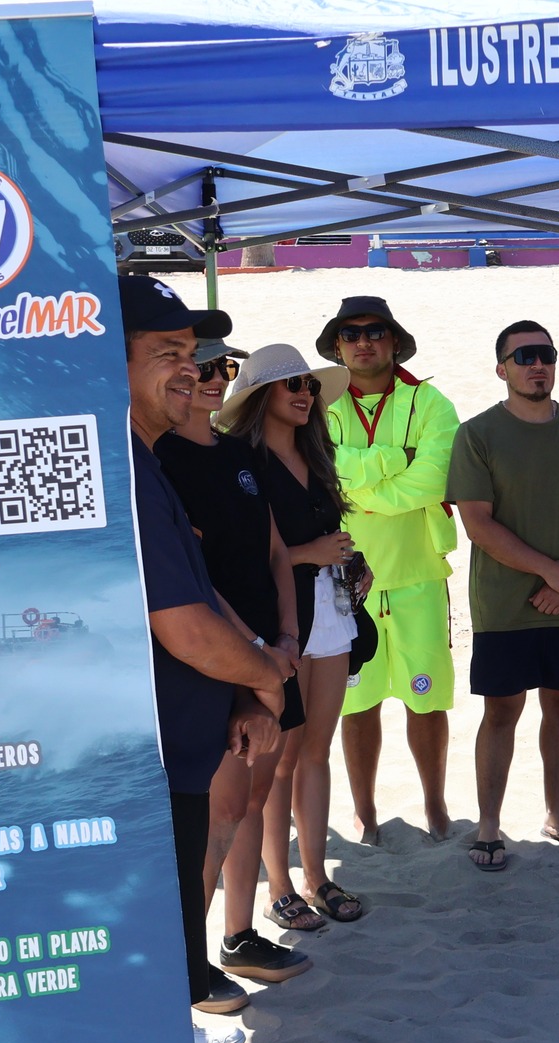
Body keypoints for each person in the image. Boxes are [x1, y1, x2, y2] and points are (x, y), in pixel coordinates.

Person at [121, 274, 308, 1043]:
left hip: (183, 749)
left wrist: (253, 673)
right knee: (148, 965)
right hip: (145, 760)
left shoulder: (148, 459)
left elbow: (208, 595)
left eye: (192, 356)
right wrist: (267, 676)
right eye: (165, 354)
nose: (188, 371)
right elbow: (183, 621)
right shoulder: (121, 460)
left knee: (164, 958)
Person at [154, 339, 325, 972]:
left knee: (252, 798)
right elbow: (191, 579)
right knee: (219, 810)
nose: (210, 379)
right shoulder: (162, 459)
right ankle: (186, 969)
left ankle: (237, 935)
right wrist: (254, 650)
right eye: (198, 368)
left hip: (269, 655)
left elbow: (276, 551)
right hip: (220, 660)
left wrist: (284, 636)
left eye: (222, 368)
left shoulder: (239, 454)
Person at [451, 321, 559, 871]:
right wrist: (550, 571)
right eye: (523, 355)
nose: (536, 363)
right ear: (502, 368)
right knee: (501, 711)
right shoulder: (477, 434)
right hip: (504, 603)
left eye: (545, 353)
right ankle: (489, 826)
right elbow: (477, 523)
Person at [219, 343, 372, 928]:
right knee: (276, 759)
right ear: (262, 396)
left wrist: (349, 563)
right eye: (293, 386)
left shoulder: (318, 453)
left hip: (329, 612)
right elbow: (246, 557)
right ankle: (277, 883)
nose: (305, 394)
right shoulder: (240, 462)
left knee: (315, 751)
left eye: (309, 385)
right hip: (278, 621)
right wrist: (311, 553)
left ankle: (317, 876)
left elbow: (324, 533)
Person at [320, 296, 460, 843]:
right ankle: (365, 810)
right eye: (350, 334)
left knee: (426, 700)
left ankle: (435, 804)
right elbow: (323, 473)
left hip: (418, 573)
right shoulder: (319, 404)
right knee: (358, 703)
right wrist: (395, 458)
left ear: (394, 340)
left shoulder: (431, 401)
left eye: (375, 331)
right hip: (342, 581)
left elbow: (436, 479)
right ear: (337, 346)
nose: (363, 342)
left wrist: (361, 492)